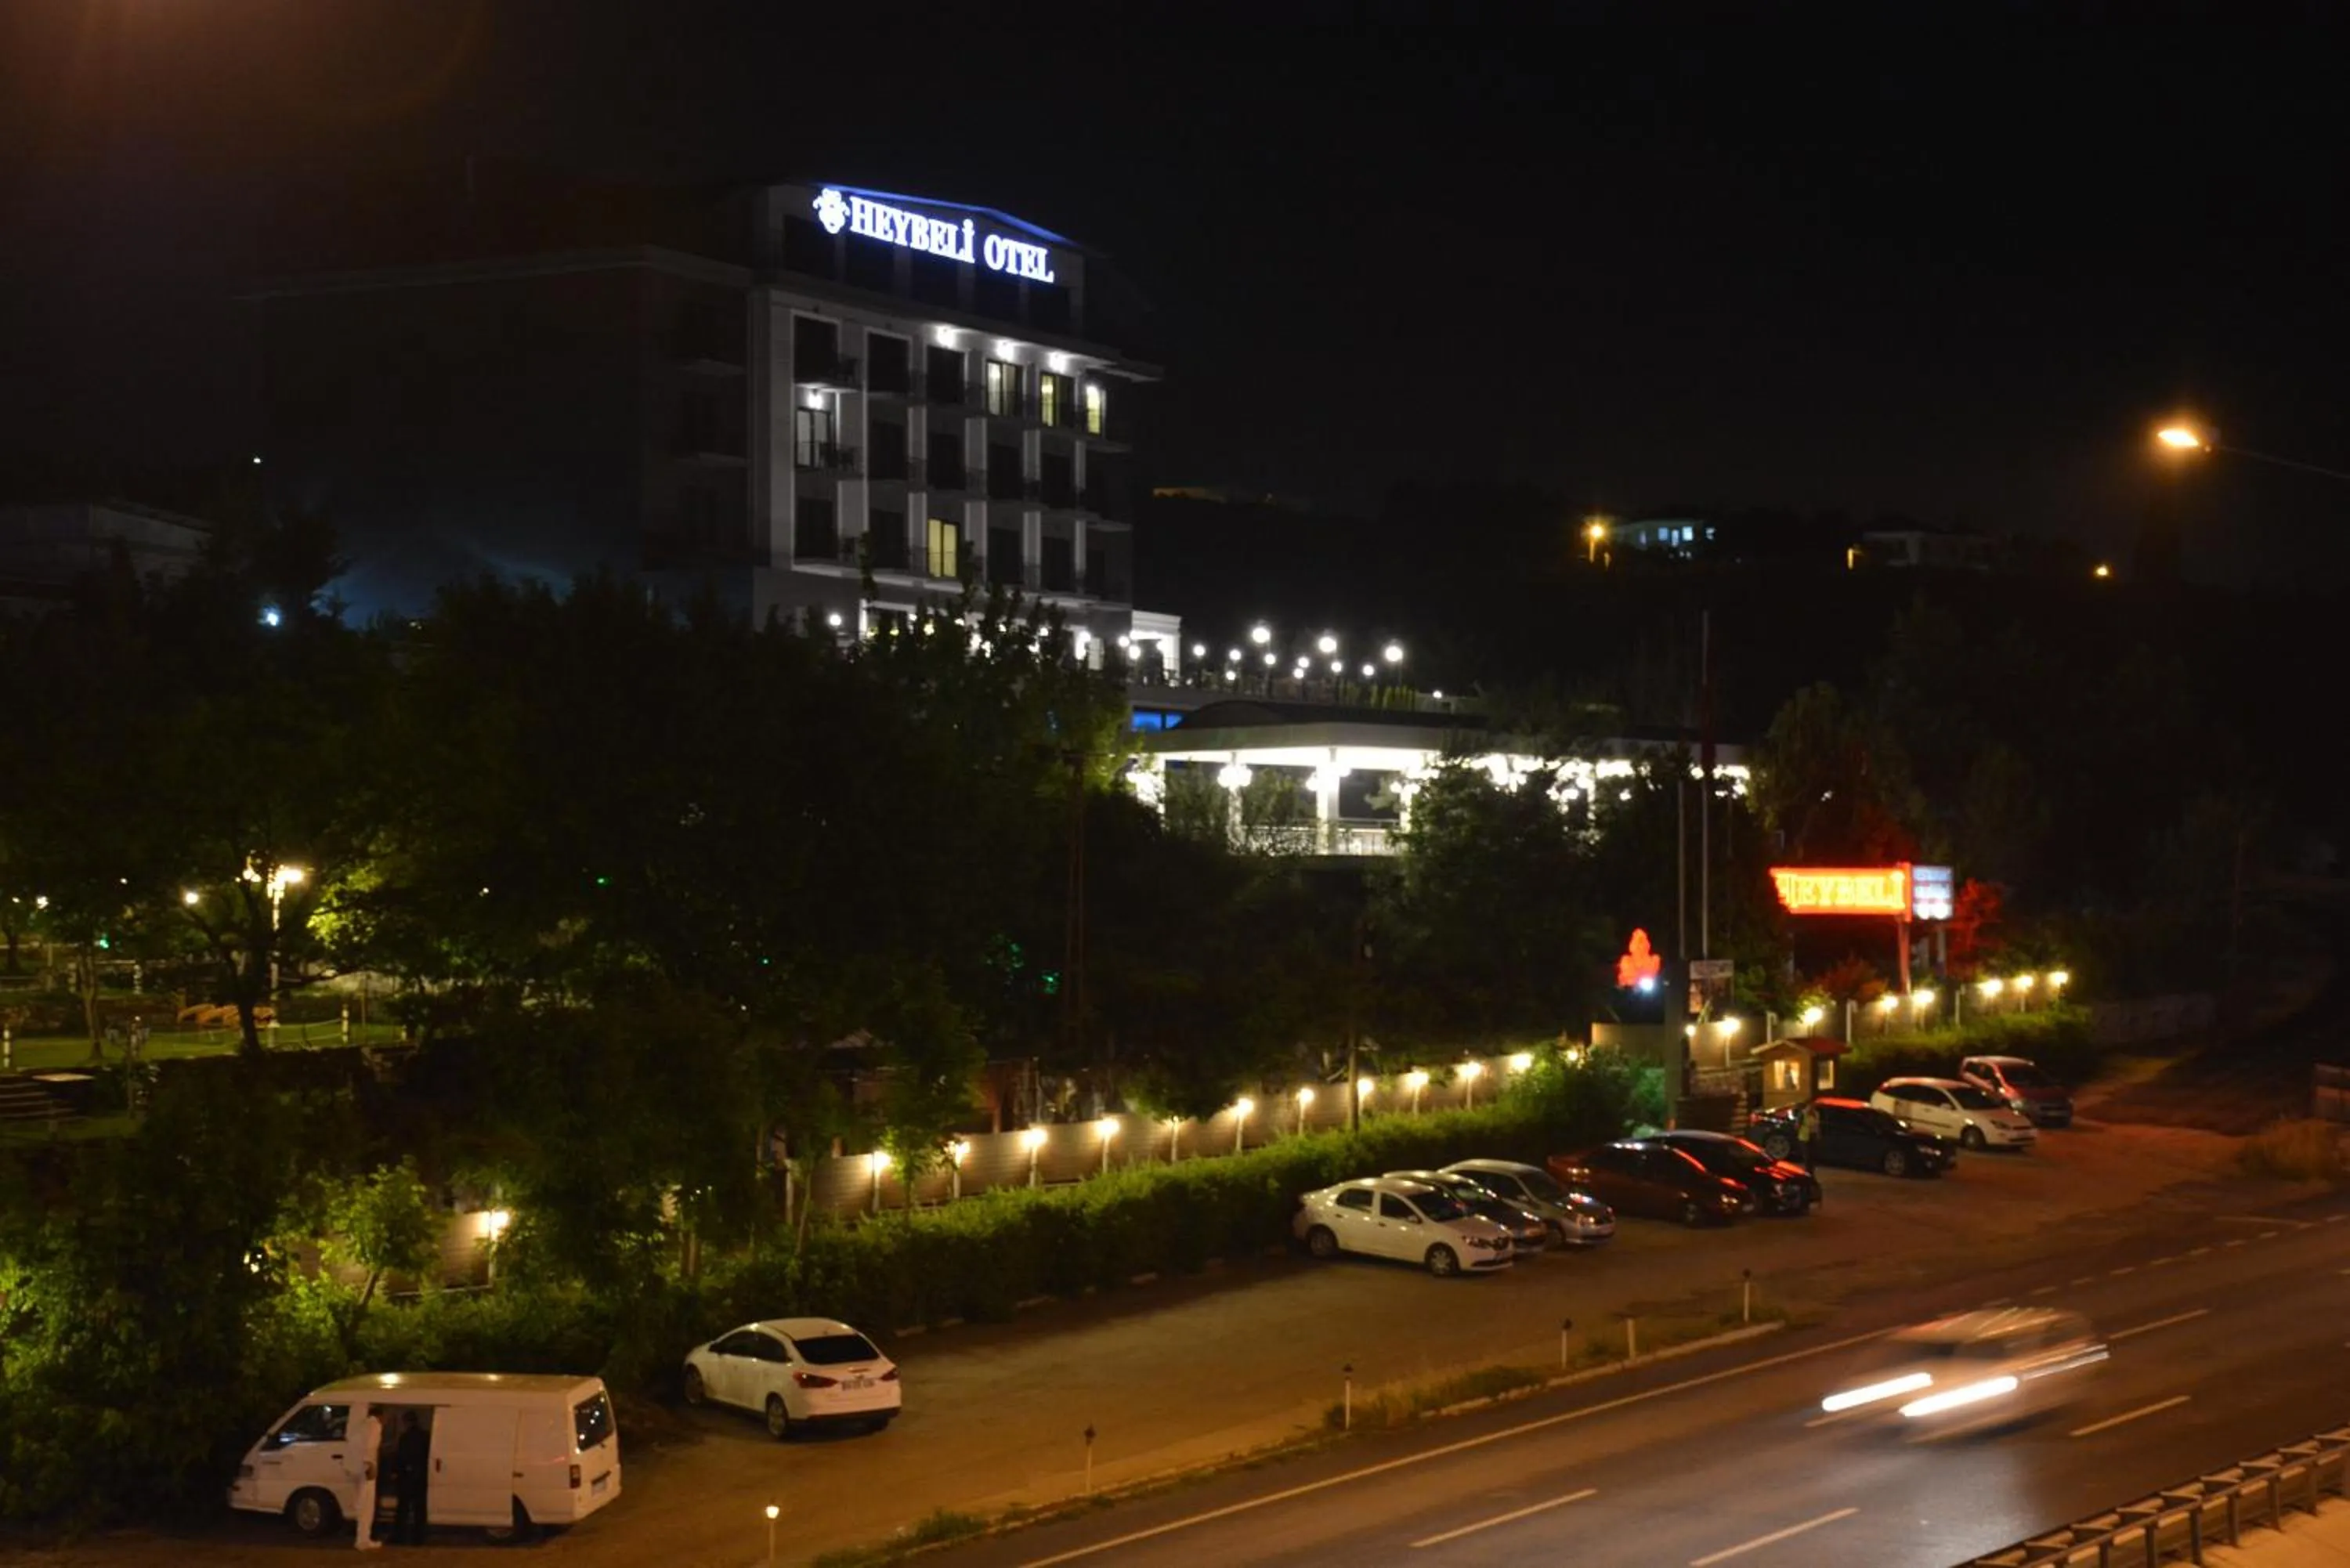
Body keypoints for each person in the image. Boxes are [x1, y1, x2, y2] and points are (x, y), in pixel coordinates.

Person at [390, 1411, 430, 1545]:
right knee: (420, 1509)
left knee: (403, 1508)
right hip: (421, 1476)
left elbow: (401, 1457)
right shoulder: (425, 1436)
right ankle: (419, 1538)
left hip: (407, 1477)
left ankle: (400, 1536)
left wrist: (396, 1472)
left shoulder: (405, 1437)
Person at [350, 1407, 383, 1551]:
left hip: (357, 1468)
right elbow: (370, 1447)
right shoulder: (375, 1426)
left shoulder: (362, 1425)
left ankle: (363, 1538)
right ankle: (363, 1540)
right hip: (366, 1470)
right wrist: (370, 1464)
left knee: (362, 1504)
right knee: (367, 1506)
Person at [1798, 1100, 1822, 1172]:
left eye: (1814, 1105)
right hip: (1804, 1136)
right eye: (1811, 1105)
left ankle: (1811, 1170)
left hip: (1813, 1135)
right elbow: (1797, 1125)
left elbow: (1817, 1125)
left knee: (1812, 1155)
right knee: (1807, 1155)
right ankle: (1807, 1170)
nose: (1812, 1107)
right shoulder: (1803, 1113)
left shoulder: (1817, 1114)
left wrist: (1818, 1134)